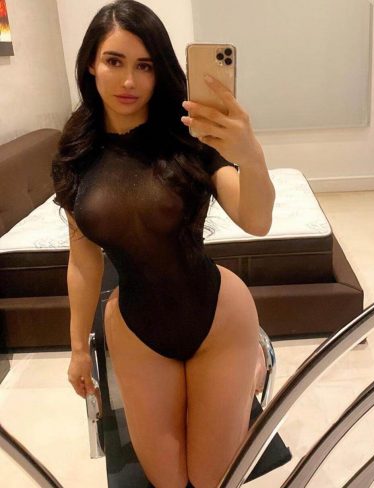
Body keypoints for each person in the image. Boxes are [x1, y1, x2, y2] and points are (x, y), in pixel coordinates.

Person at [50, 1, 275, 487]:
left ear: (160, 72)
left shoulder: (190, 138)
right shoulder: (75, 155)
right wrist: (77, 349)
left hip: (218, 318)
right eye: (115, 61)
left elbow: (257, 220)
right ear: (91, 64)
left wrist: (251, 156)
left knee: (211, 479)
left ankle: (249, 365)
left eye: (146, 66)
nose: (129, 81)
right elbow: (83, 260)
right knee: (170, 481)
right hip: (137, 330)